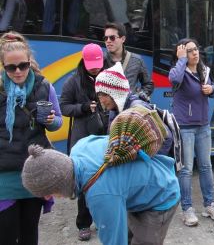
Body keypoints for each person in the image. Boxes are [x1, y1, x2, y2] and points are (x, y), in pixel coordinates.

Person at [20, 111, 180, 245]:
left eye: (47, 192)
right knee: (126, 232)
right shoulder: (80, 147)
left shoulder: (101, 195)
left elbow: (114, 241)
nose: (48, 198)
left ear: (60, 182)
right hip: (140, 185)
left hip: (160, 195)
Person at [0, 31, 62, 245]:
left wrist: (51, 121)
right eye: (11, 67)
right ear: (3, 66)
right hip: (4, 177)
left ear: (29, 62)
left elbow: (58, 123)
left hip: (34, 172)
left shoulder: (44, 87)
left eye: (23, 66)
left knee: (29, 234)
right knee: (6, 236)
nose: (18, 72)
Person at [169, 38, 214, 226]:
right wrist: (181, 59)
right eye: (190, 50)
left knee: (206, 166)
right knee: (186, 170)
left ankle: (209, 205)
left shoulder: (205, 71)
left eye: (196, 49)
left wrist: (212, 90)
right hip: (185, 127)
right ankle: (187, 209)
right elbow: (173, 79)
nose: (195, 53)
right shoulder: (179, 72)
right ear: (183, 53)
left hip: (203, 126)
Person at [60, 43, 105, 241]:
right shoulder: (73, 81)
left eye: (98, 64)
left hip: (105, 134)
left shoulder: (107, 77)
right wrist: (83, 108)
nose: (96, 68)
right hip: (83, 137)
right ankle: (83, 223)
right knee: (84, 181)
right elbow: (63, 107)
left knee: (105, 180)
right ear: (84, 62)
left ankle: (104, 220)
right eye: (92, 65)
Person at [103, 22, 153, 100]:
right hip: (106, 110)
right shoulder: (101, 60)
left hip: (128, 109)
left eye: (112, 38)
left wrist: (138, 97)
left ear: (123, 39)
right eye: (106, 38)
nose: (108, 41)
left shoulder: (136, 60)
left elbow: (148, 84)